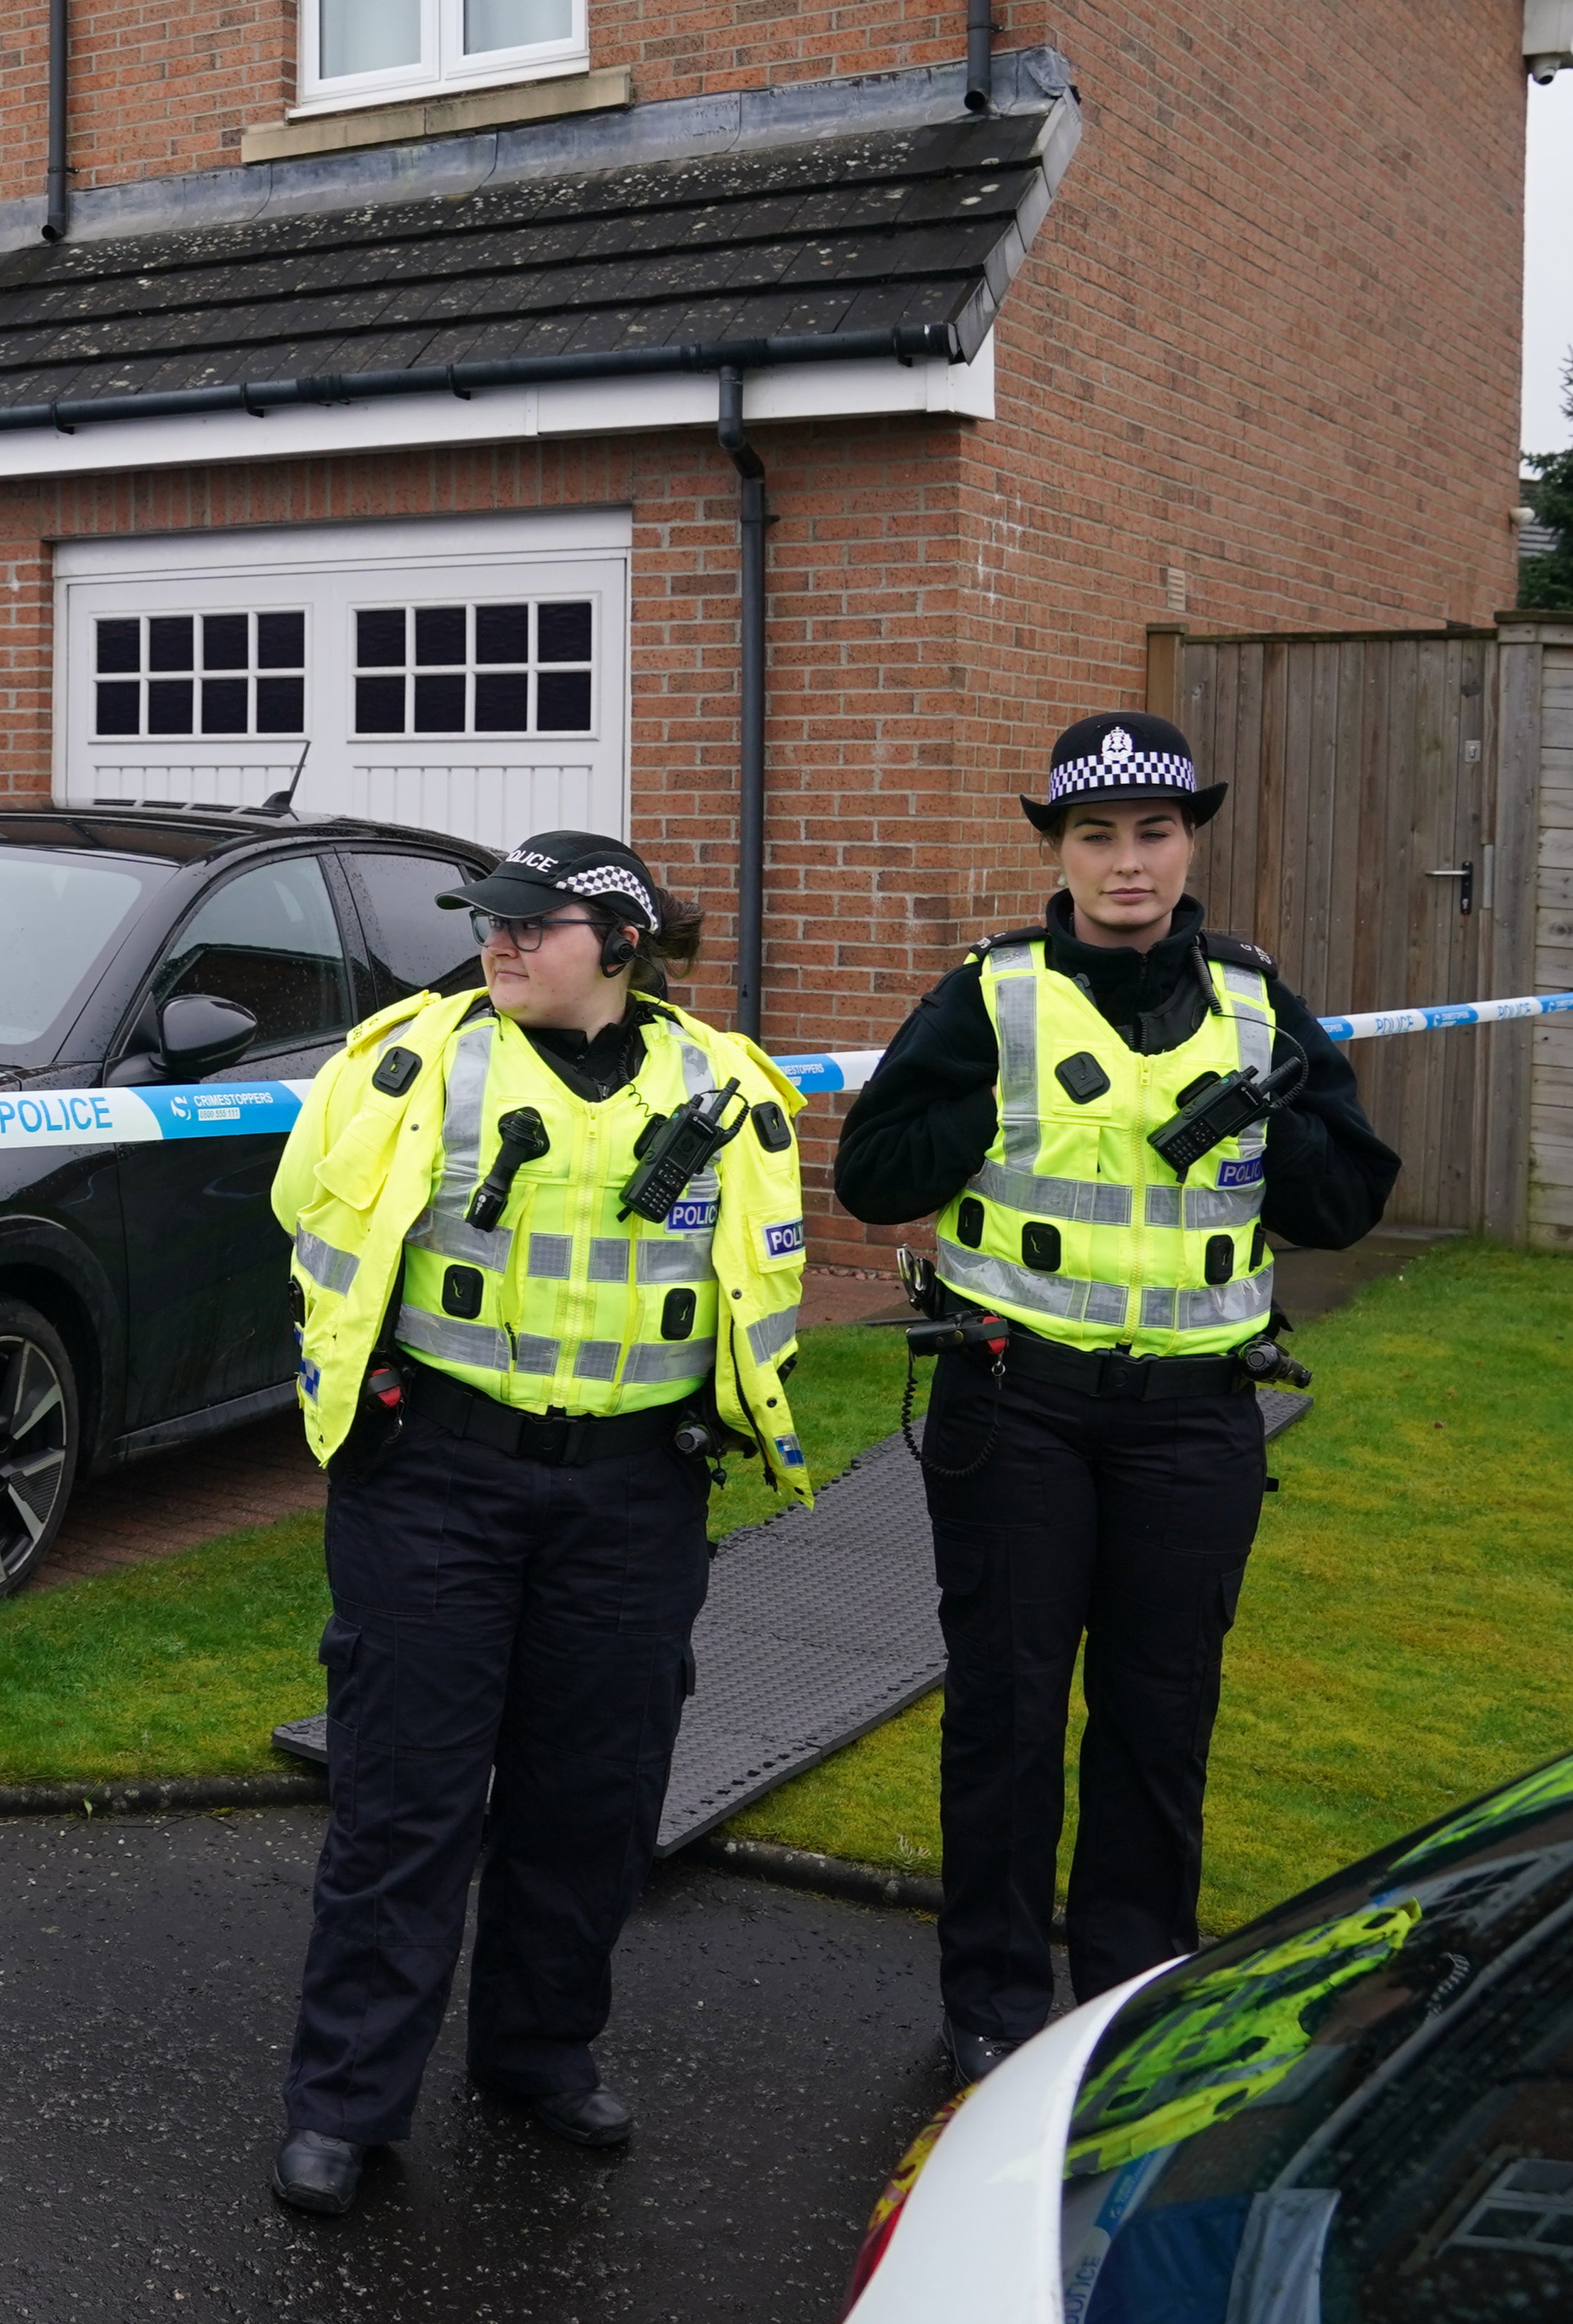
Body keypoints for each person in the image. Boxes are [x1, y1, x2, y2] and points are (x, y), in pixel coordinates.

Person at [834, 714, 1398, 2084]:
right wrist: (994, 1120)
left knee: (1159, 1715)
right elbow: (872, 1175)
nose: (1127, 863)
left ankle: (1132, 2000)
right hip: (1013, 1402)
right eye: (1096, 836)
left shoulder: (1259, 1006)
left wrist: (1277, 1120)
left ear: (1187, 841)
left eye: (1152, 833)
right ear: (1058, 849)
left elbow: (1343, 1201)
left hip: (1193, 1418)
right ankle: (992, 2006)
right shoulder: (991, 994)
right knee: (1008, 1713)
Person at [262, 831, 814, 2220]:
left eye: (531, 925)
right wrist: (373, 1391)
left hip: (636, 1490)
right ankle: (342, 2103)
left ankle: (537, 2053)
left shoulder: (725, 1088)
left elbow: (761, 1271)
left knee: (595, 1792)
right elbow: (307, 1226)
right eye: (488, 923)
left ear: (619, 946)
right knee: (405, 1796)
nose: (497, 944)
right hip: (435, 1476)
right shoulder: (411, 1061)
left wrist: (728, 1417)